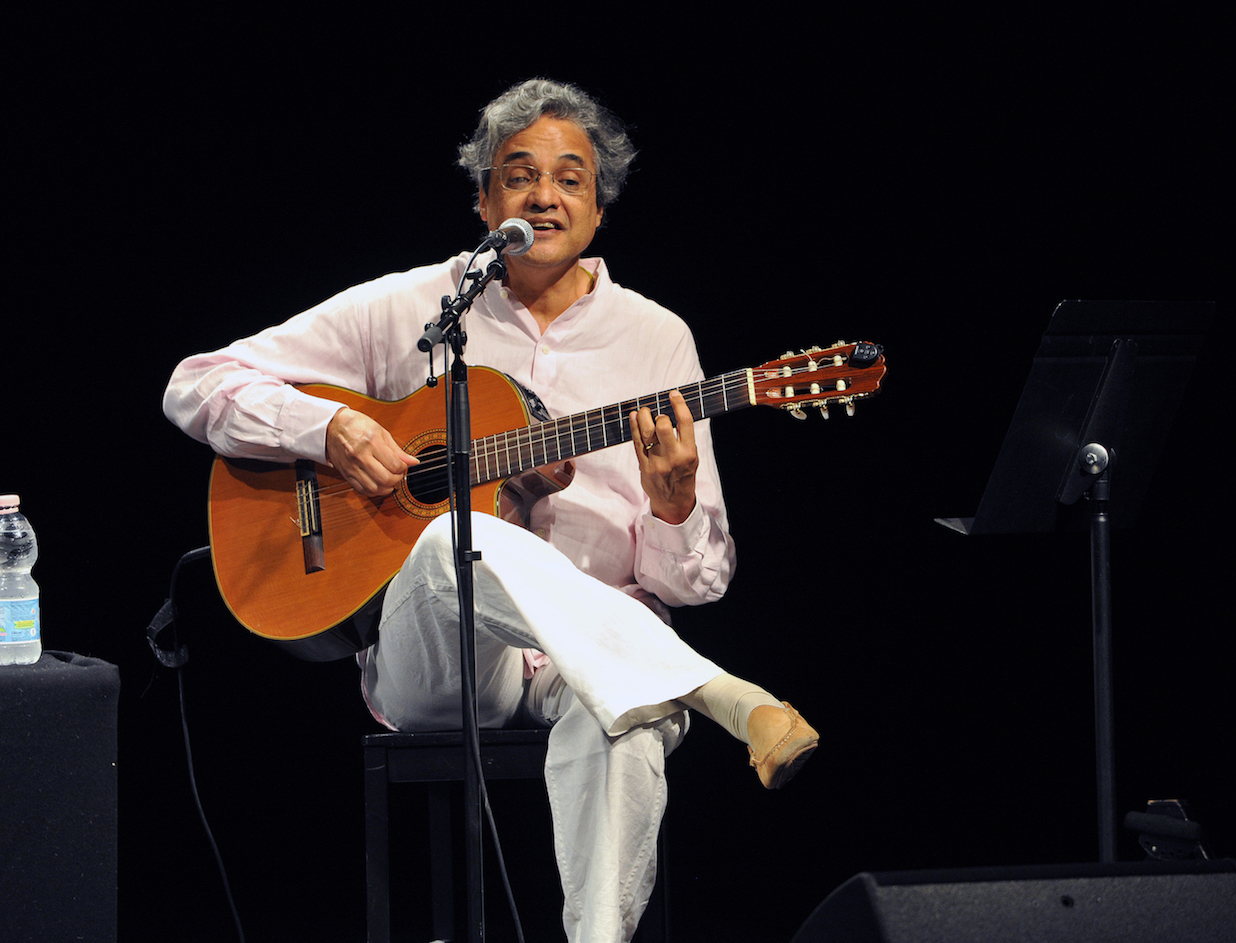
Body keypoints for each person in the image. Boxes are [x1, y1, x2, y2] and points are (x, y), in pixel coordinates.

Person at [163, 78, 818, 942]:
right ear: (484, 201)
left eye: (571, 178)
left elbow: (700, 583)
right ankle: (725, 695)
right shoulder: (410, 309)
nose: (545, 195)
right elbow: (195, 382)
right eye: (519, 175)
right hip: (439, 657)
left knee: (628, 716)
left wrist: (673, 507)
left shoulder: (659, 340)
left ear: (599, 208)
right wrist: (328, 428)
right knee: (453, 536)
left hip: (595, 657)